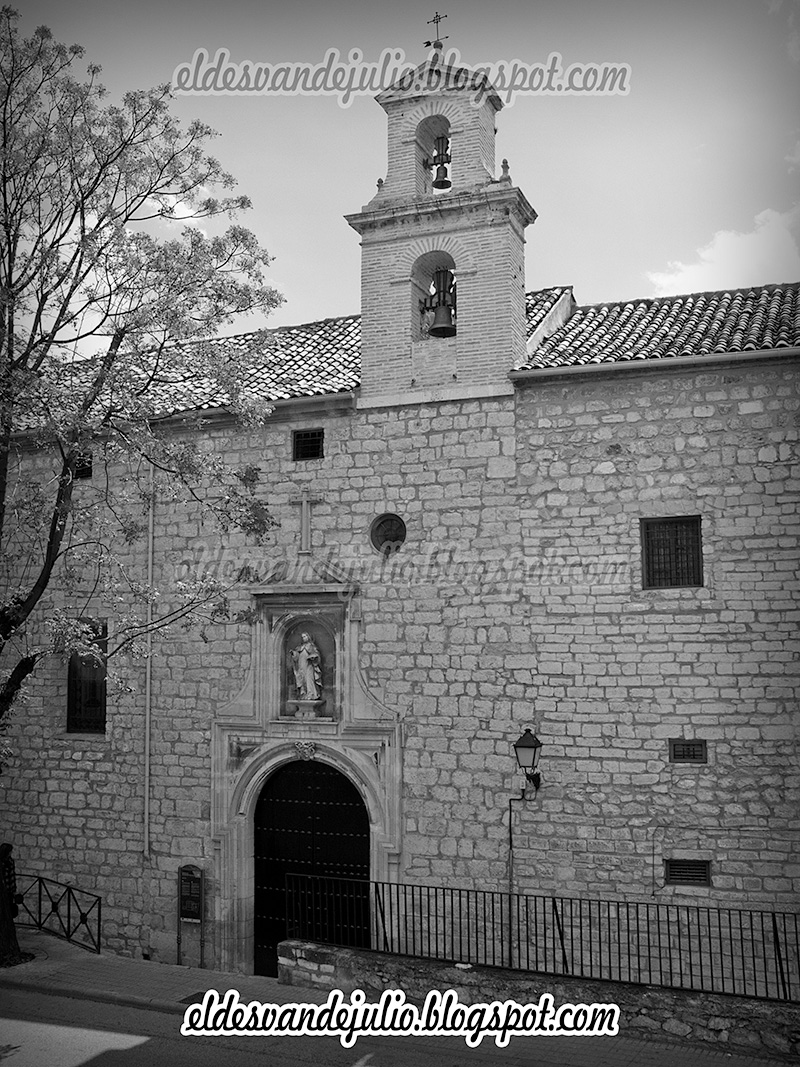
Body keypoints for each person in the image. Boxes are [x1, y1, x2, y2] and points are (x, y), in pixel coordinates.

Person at [290, 632, 322, 700]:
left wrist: (313, 657)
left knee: (309, 678)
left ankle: (311, 694)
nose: (304, 638)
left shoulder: (312, 646)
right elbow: (297, 656)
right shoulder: (300, 647)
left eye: (305, 636)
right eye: (302, 637)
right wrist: (293, 653)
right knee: (302, 678)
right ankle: (303, 694)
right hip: (301, 665)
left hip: (309, 665)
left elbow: (317, 654)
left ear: (308, 637)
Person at [0, 842, 22, 919]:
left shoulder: (10, 861)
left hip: (9, 891)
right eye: (10, 851)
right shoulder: (2, 863)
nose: (11, 853)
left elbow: (12, 876)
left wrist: (13, 890)